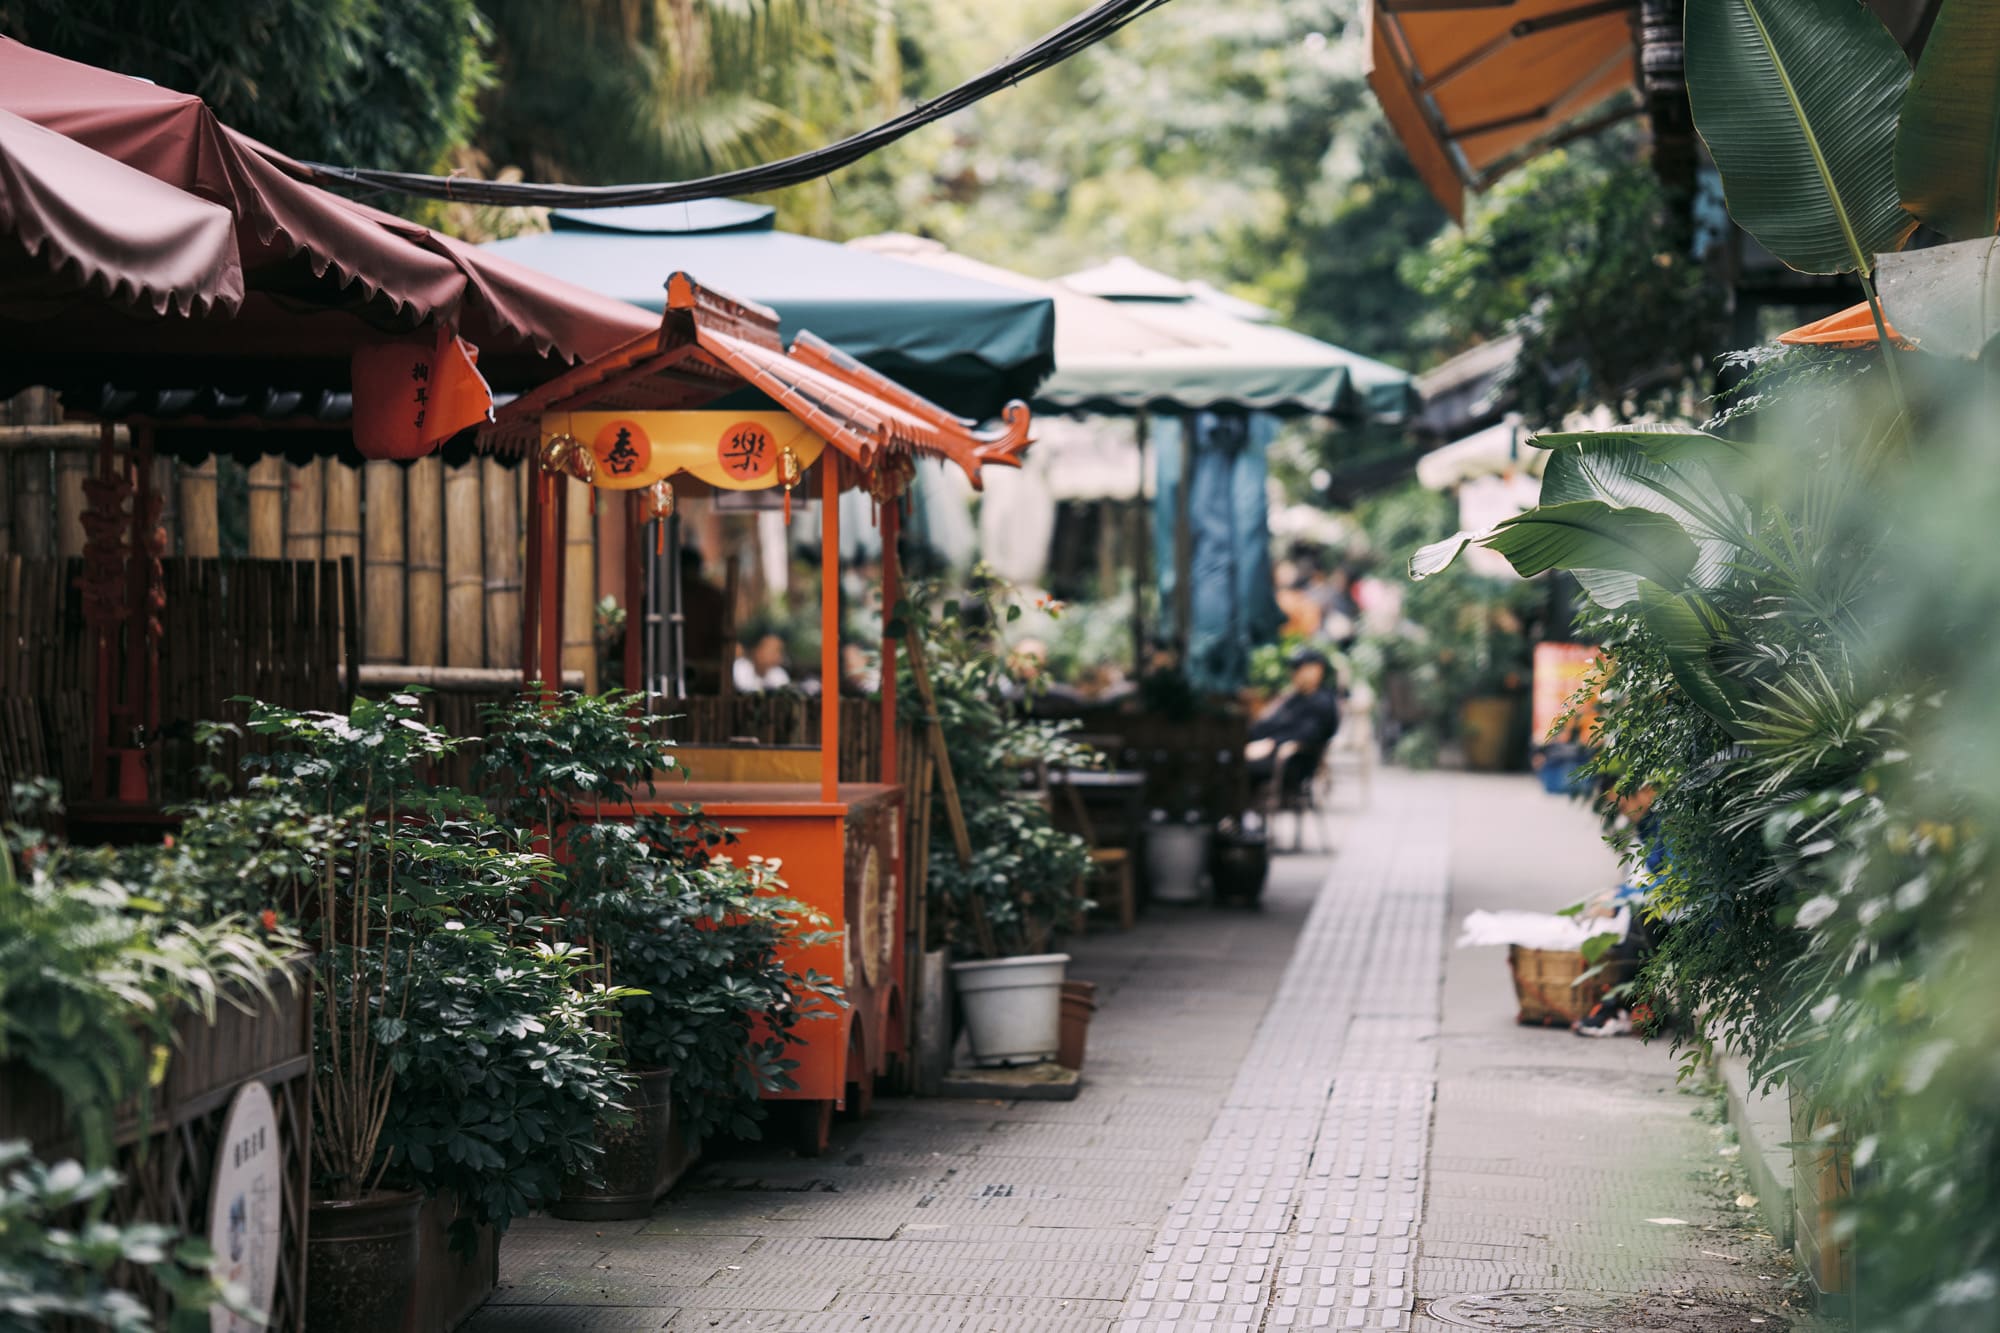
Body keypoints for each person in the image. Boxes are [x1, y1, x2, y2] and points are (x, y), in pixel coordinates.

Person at [1245, 646, 1341, 792]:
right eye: (1294, 669)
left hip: (1293, 761)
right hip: (1269, 752)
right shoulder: (1295, 698)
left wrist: (1271, 744)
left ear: (1317, 669)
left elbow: (1307, 734)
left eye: (1300, 668)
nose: (1295, 673)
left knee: (1238, 770)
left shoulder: (1322, 701)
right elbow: (1267, 724)